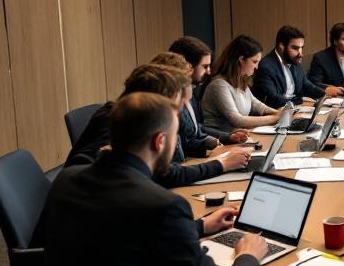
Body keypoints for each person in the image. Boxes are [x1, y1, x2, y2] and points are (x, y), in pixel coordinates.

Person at [39, 92, 267, 266]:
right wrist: (249, 258)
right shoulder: (163, 205)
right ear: (160, 141)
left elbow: (122, 235)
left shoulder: (67, 180)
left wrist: (200, 226)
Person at [64, 63, 250, 188]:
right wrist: (220, 164)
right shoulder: (116, 124)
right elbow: (163, 174)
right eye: (175, 108)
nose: (177, 116)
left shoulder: (123, 119)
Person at [168, 37, 248, 156]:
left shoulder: (191, 91)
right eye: (205, 66)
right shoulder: (172, 98)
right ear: (188, 66)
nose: (209, 72)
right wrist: (217, 158)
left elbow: (197, 130)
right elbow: (186, 146)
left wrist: (227, 137)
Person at [200, 34, 283, 132]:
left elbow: (258, 106)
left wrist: (280, 113)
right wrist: (276, 118)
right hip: (220, 141)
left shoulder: (241, 81)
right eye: (254, 61)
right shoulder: (219, 84)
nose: (256, 67)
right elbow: (237, 120)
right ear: (241, 59)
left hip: (237, 137)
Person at [252, 26, 335, 107]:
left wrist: (326, 95)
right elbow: (273, 99)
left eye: (301, 48)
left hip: (294, 110)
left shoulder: (294, 62)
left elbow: (307, 86)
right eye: (295, 48)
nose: (300, 53)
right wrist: (300, 101)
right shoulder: (266, 67)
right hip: (275, 114)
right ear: (281, 46)